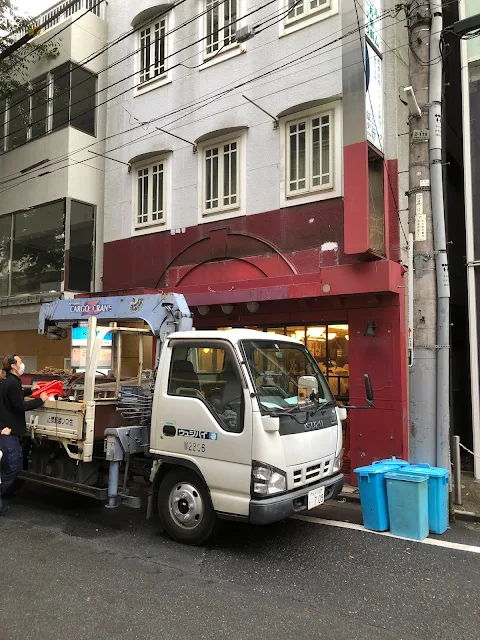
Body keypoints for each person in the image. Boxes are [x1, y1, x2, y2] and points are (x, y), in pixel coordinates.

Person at [0, 355, 48, 515]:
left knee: (9, 465)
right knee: (13, 466)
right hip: (9, 432)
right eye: (20, 362)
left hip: (7, 431)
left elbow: (14, 398)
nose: (22, 365)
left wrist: (29, 390)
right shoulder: (12, 383)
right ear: (14, 366)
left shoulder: (9, 382)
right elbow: (20, 405)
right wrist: (40, 400)